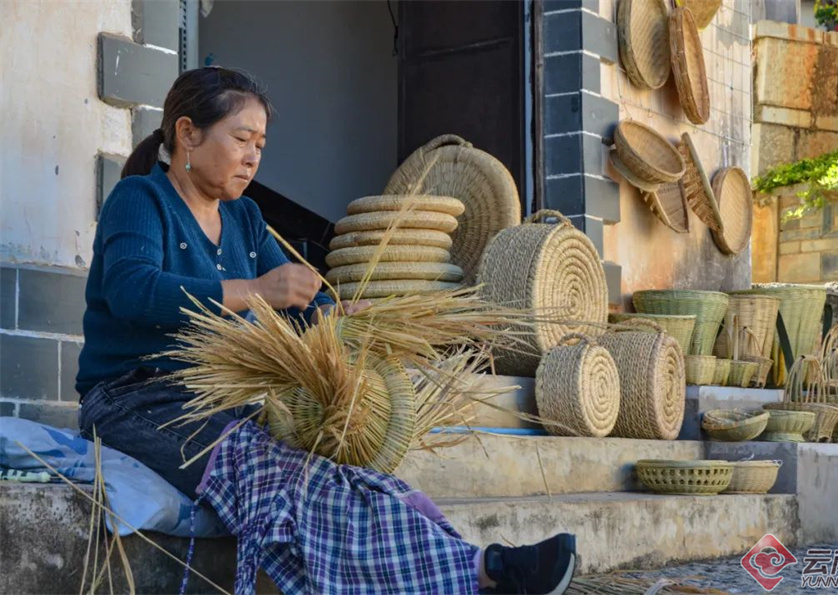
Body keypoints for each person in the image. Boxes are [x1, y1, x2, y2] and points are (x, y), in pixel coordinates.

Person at [76, 66, 576, 594]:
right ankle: (484, 573)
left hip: (216, 403)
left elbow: (303, 309)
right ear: (187, 134)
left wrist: (344, 319)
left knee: (348, 471)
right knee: (278, 474)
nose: (252, 156)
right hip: (135, 398)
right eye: (241, 139)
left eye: (261, 145)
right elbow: (133, 292)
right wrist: (259, 291)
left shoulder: (244, 218)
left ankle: (472, 564)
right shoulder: (140, 199)